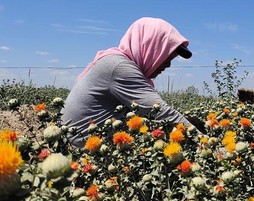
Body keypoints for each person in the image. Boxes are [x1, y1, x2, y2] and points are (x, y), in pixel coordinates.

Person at [62, 17, 200, 147]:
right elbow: (161, 113)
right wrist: (208, 143)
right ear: (151, 48)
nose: (168, 65)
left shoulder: (117, 61)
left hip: (87, 146)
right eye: (166, 57)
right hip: (84, 155)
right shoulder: (119, 67)